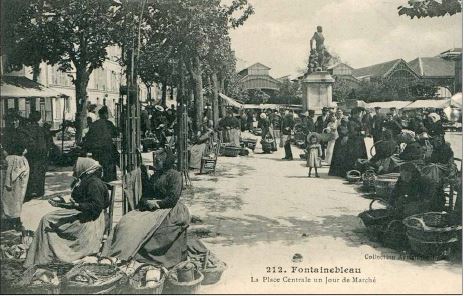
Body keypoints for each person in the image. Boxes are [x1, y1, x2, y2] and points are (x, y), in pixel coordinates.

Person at [102, 149, 190, 269]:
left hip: (169, 208)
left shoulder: (175, 175)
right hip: (152, 207)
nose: (155, 163)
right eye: (155, 160)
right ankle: (114, 251)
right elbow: (146, 194)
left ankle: (131, 252)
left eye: (158, 161)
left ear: (166, 161)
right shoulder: (156, 175)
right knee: (127, 220)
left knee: (144, 227)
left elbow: (172, 198)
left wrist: (157, 203)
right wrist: (146, 202)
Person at [25, 157, 109, 267]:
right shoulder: (86, 180)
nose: (74, 171)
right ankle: (42, 256)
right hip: (84, 215)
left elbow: (96, 206)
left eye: (76, 168)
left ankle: (42, 257)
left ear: (84, 168)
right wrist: (63, 203)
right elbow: (82, 202)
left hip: (90, 221)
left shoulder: (94, 183)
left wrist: (76, 205)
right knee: (48, 218)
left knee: (48, 220)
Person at [1, 112, 30, 231]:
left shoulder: (23, 133)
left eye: (15, 120)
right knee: (6, 192)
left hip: (20, 164)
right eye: (11, 120)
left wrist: (26, 150)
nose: (13, 122)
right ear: (7, 122)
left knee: (19, 192)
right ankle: (5, 219)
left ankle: (16, 218)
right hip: (7, 164)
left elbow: (32, 145)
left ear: (18, 121)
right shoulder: (4, 134)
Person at [83, 106, 119, 182]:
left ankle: (98, 178)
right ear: (105, 114)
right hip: (106, 149)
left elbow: (88, 137)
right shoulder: (109, 123)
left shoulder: (94, 124)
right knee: (112, 159)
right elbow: (115, 134)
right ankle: (110, 178)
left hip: (96, 150)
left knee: (97, 165)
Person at [24, 111, 48, 201]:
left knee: (30, 171)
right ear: (38, 119)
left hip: (30, 154)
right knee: (40, 172)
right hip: (40, 154)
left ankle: (29, 191)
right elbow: (45, 143)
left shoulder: (26, 129)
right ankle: (39, 191)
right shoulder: (41, 129)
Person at [345, 108, 368, 173]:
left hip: (359, 142)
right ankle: (353, 171)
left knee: (360, 156)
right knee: (353, 157)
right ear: (355, 113)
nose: (360, 114)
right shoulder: (351, 122)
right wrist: (360, 133)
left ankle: (359, 170)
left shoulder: (359, 121)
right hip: (353, 143)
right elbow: (351, 133)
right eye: (359, 113)